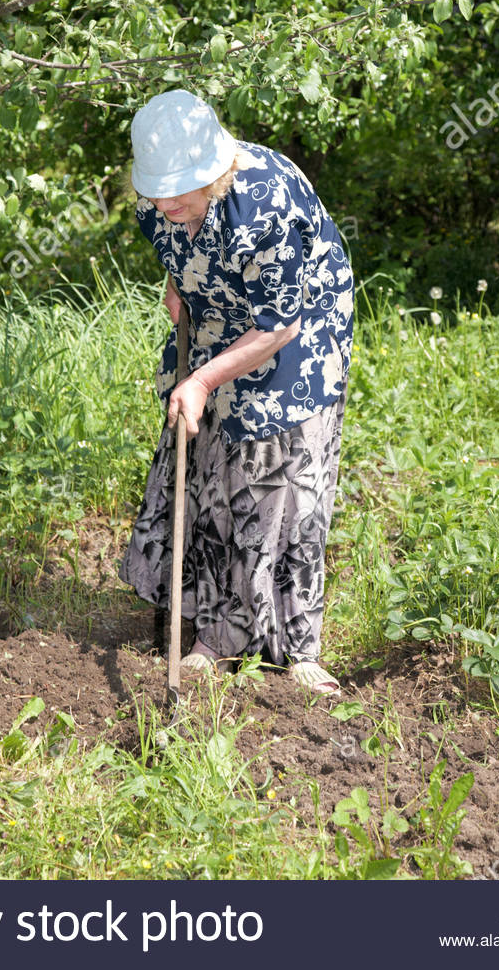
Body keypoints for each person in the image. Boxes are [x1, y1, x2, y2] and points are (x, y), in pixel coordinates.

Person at [119, 89, 353, 695]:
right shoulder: (157, 205)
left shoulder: (263, 203)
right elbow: (182, 248)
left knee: (279, 474)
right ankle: (216, 634)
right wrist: (178, 279)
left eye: (179, 191)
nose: (164, 203)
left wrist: (201, 379)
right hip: (218, 316)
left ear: (214, 173)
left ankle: (295, 648)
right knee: (212, 467)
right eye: (156, 191)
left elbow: (280, 323)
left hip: (295, 332)